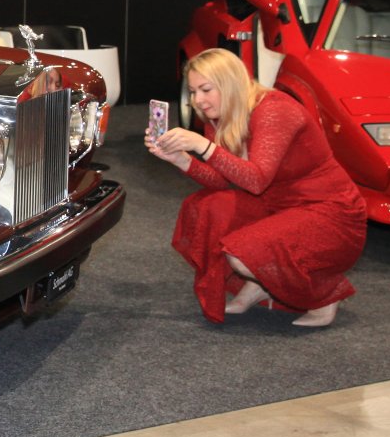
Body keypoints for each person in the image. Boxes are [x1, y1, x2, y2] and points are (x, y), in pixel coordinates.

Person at [145, 47, 366, 327]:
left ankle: (324, 293)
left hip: (331, 213)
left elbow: (256, 180)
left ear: (230, 84)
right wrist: (181, 160)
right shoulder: (221, 115)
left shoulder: (274, 110)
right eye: (193, 92)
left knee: (243, 256)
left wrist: (203, 146)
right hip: (277, 205)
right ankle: (261, 281)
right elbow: (224, 181)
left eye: (206, 90)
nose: (198, 100)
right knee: (208, 207)